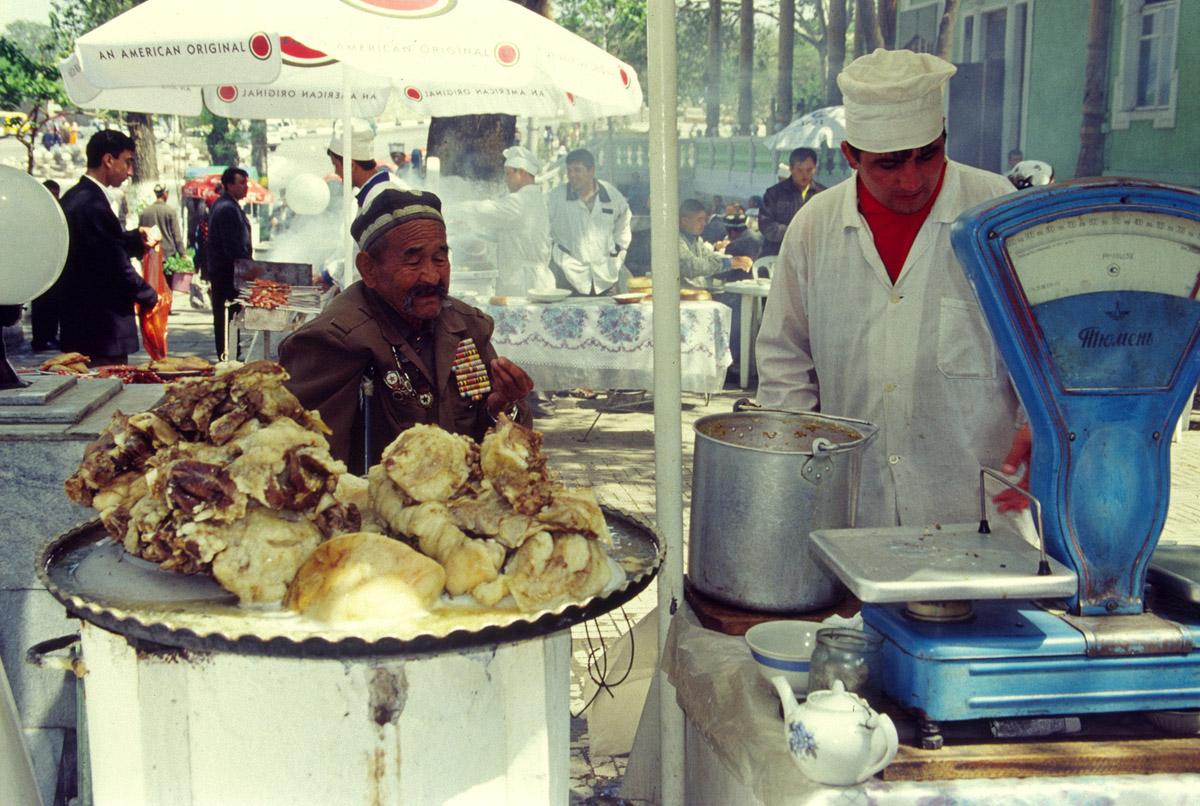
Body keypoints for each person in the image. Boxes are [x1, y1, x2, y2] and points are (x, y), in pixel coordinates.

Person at [755, 48, 1027, 529]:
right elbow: (784, 357)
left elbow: (1044, 344)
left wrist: (1037, 432)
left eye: (928, 155)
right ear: (850, 156)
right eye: (889, 164)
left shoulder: (996, 212)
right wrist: (800, 461)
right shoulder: (814, 227)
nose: (912, 179)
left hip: (976, 506)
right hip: (854, 509)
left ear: (944, 135)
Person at [279, 189, 534, 472]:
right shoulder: (334, 339)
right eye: (413, 262)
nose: (432, 275)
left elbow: (500, 450)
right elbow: (310, 466)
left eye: (440, 259)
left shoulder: (467, 326)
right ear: (369, 269)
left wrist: (501, 406)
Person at [55, 129, 158, 367]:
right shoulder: (92, 204)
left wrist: (133, 238)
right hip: (100, 331)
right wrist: (149, 295)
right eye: (128, 162)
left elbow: (98, 248)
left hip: (82, 324)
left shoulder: (77, 197)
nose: (130, 172)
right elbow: (114, 265)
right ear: (108, 160)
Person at [453, 146, 554, 296]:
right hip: (533, 280)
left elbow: (482, 209)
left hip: (524, 284)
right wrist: (467, 226)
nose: (505, 180)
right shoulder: (536, 199)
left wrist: (448, 207)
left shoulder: (520, 201)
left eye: (508, 174)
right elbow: (498, 232)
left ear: (522, 172)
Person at [324, 120, 411, 290]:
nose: (336, 172)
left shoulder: (382, 197)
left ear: (350, 165)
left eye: (336, 165)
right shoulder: (368, 195)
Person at [547, 148, 632, 296]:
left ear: (591, 171)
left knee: (607, 318)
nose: (572, 175)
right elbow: (540, 227)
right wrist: (559, 254)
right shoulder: (555, 197)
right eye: (569, 170)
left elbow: (624, 218)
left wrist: (619, 250)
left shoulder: (610, 193)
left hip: (606, 278)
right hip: (569, 278)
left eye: (577, 170)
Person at [206, 167, 252, 359]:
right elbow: (233, 245)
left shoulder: (226, 204)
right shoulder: (226, 208)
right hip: (227, 274)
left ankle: (230, 352)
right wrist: (249, 268)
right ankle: (228, 355)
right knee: (228, 317)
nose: (246, 187)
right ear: (230, 185)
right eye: (242, 182)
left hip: (225, 272)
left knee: (229, 317)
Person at [757, 146, 826, 258]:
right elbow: (766, 225)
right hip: (778, 253)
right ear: (791, 168)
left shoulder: (823, 195)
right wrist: (794, 231)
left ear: (814, 168)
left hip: (811, 256)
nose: (804, 175)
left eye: (809, 170)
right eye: (800, 170)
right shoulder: (774, 193)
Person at [30, 180, 62, 351]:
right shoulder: (38, 212)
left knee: (53, 306)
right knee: (42, 306)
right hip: (40, 266)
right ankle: (41, 338)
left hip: (52, 266)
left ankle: (50, 336)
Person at [138, 184, 185, 262]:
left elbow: (140, 234)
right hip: (168, 257)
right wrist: (183, 253)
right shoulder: (170, 211)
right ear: (165, 194)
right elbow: (176, 235)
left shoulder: (144, 212)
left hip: (150, 255)